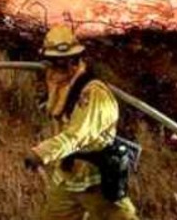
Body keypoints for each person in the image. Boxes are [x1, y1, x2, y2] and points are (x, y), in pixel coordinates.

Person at [24, 25, 140, 220]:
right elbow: (56, 113)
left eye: (68, 61)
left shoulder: (93, 94)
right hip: (68, 179)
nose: (63, 67)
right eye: (55, 62)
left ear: (76, 59)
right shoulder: (60, 84)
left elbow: (76, 136)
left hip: (96, 180)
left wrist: (40, 154)